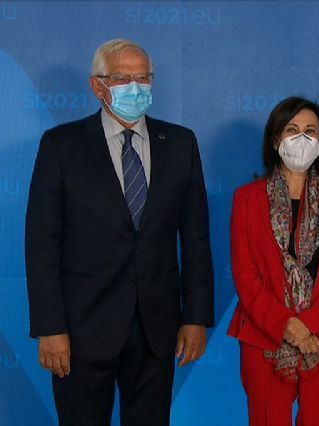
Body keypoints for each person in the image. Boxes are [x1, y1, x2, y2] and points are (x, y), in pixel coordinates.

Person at [25, 39, 214, 425]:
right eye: (123, 79)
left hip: (156, 330)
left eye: (143, 78)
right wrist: (50, 327)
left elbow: (195, 239)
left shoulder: (181, 144)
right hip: (81, 330)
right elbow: (42, 244)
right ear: (98, 86)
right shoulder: (61, 146)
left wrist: (195, 317)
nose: (135, 87)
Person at [227, 96, 319, 426]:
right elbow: (244, 273)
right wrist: (287, 326)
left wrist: (308, 324)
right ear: (276, 140)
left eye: (310, 131)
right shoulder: (246, 199)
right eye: (292, 129)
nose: (301, 138)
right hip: (264, 336)